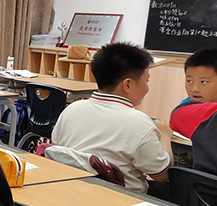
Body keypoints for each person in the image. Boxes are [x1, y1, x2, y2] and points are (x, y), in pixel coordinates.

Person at [52, 43, 170, 194]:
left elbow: (57, 149)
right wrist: (165, 136)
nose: (147, 87)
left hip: (67, 191)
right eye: (146, 81)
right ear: (127, 85)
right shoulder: (140, 123)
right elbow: (161, 175)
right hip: (119, 200)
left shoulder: (72, 109)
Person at [171, 48, 217, 176]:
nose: (194, 89)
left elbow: (178, 114)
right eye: (189, 81)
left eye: (204, 82)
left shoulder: (196, 115)